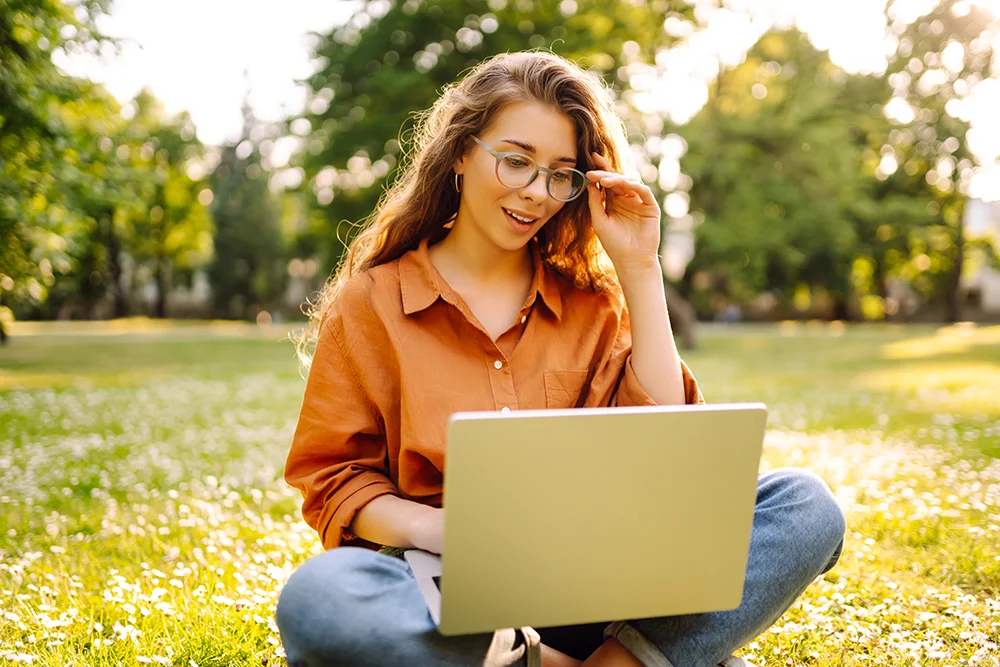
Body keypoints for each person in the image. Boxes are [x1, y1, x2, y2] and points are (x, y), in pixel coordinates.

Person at [275, 50, 846, 667]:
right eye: (516, 161)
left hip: (598, 584)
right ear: (461, 153)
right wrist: (443, 533)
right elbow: (337, 482)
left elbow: (663, 441)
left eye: (559, 174)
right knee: (320, 598)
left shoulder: (591, 303)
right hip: (448, 597)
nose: (535, 193)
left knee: (805, 505)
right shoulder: (373, 301)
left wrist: (638, 268)